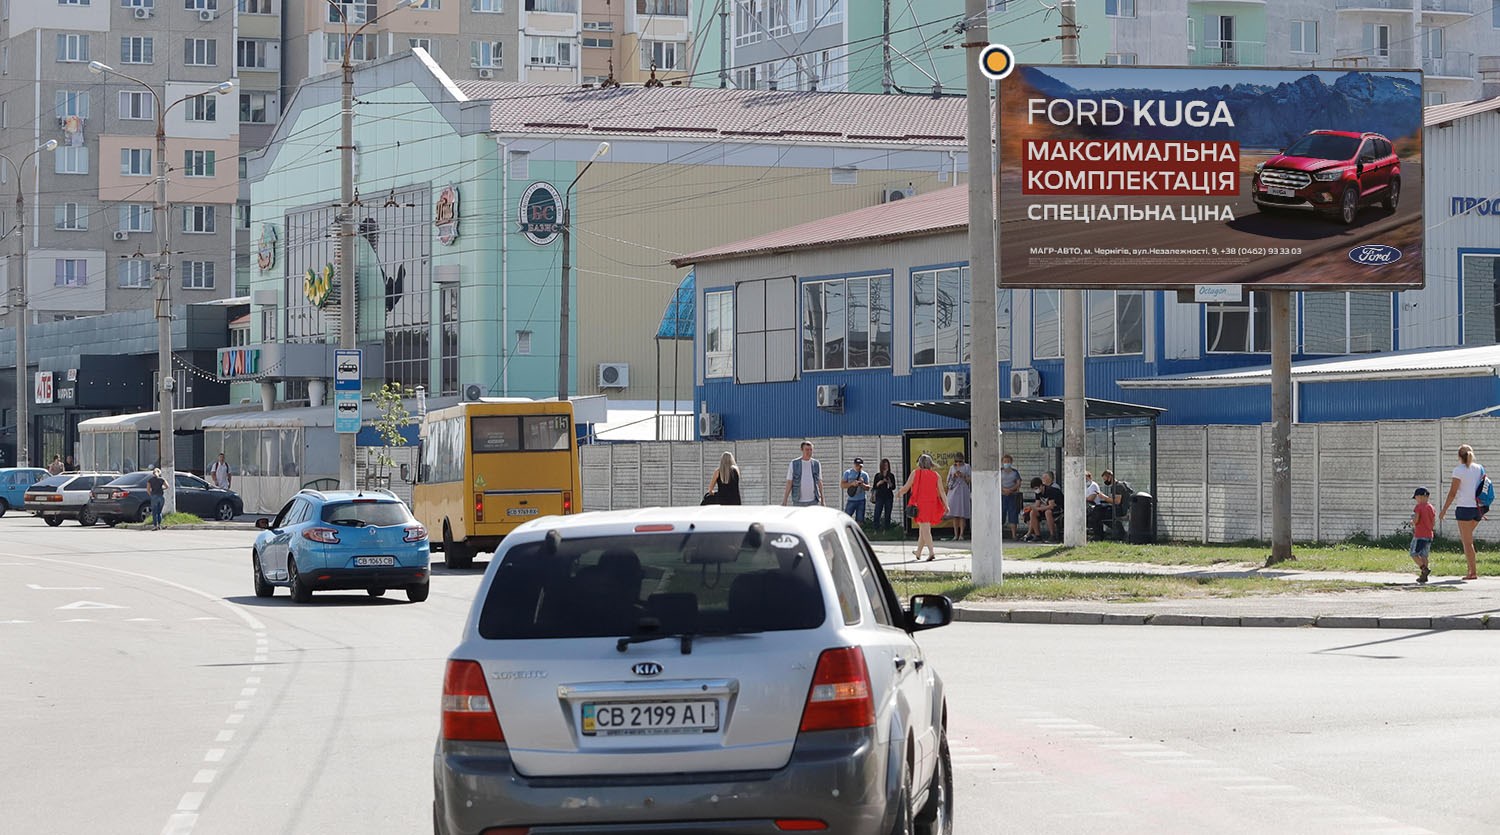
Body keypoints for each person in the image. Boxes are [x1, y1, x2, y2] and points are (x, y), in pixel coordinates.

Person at [1438, 443, 1486, 580]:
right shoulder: (1480, 468)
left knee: (1467, 542)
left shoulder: (1458, 470)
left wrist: (1444, 510)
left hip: (1464, 508)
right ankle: (1471, 570)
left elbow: (1453, 493)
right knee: (1468, 539)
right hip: (1478, 509)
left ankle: (1472, 572)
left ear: (1459, 456)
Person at [898, 454, 948, 562]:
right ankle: (918, 552)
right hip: (932, 504)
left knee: (925, 529)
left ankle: (931, 552)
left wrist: (899, 493)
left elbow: (906, 487)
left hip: (921, 504)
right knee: (923, 529)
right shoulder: (936, 475)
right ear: (930, 463)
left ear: (920, 463)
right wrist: (946, 505)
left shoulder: (915, 473)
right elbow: (942, 491)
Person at [1089, 470, 1134, 539]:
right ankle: (1101, 534)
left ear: (1110, 477)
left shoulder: (1118, 486)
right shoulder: (1114, 486)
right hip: (1117, 508)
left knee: (1098, 513)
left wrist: (1104, 498)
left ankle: (1100, 535)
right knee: (1098, 511)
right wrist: (1105, 498)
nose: (1105, 481)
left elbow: (1117, 501)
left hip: (1120, 509)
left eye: (1105, 479)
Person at [1023, 471, 1064, 542]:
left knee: (1048, 512)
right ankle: (1037, 535)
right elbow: (1037, 504)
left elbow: (1051, 506)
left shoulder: (1050, 490)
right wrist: (1031, 508)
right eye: (1034, 489)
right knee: (1033, 513)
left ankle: (1052, 535)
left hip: (1058, 507)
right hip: (1046, 507)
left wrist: (1039, 508)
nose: (1036, 490)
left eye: (1036, 488)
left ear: (1041, 486)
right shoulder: (1038, 492)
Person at [781, 441, 823, 507]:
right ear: (801, 450)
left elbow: (819, 482)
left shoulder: (816, 464)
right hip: (798, 501)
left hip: (813, 501)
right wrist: (785, 500)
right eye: (807, 450)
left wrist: (823, 500)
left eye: (811, 450)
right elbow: (789, 482)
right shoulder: (794, 463)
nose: (809, 452)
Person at [1410, 486, 1435, 585]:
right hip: (1429, 534)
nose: (1416, 500)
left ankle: (1424, 569)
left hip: (1420, 535)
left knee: (1414, 553)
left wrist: (1412, 522)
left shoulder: (1419, 507)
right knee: (1424, 555)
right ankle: (1424, 577)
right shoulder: (1431, 507)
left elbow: (1416, 520)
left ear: (1420, 497)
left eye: (1416, 497)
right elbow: (1433, 522)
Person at [945, 452, 972, 541]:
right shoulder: (952, 468)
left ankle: (961, 534)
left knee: (962, 514)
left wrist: (963, 476)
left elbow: (970, 480)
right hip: (954, 491)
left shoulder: (967, 467)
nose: (958, 463)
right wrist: (954, 476)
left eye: (960, 461)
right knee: (955, 514)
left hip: (963, 491)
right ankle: (955, 534)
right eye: (956, 461)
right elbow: (948, 481)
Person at [841, 457, 871, 521]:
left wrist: (862, 484)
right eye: (857, 465)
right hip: (851, 499)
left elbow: (868, 488)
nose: (858, 467)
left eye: (860, 466)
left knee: (860, 519)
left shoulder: (865, 474)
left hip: (861, 499)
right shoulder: (848, 473)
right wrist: (852, 484)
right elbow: (842, 485)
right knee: (846, 518)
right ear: (854, 465)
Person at [871, 459, 898, 529]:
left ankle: (887, 528)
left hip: (888, 496)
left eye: (887, 465)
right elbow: (874, 487)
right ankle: (876, 528)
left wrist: (889, 482)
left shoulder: (891, 475)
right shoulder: (878, 475)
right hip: (879, 496)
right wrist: (879, 483)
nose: (886, 467)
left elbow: (893, 487)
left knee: (888, 513)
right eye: (884, 465)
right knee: (877, 512)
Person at [1001, 455, 1022, 540]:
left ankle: (1014, 535)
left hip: (1012, 495)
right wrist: (1003, 490)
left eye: (1008, 461)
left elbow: (1018, 483)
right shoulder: (1000, 471)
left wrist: (1010, 490)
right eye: (1005, 461)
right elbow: (996, 482)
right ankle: (999, 534)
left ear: (1011, 462)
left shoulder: (1015, 472)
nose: (1007, 463)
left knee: (1013, 514)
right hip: (1002, 495)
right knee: (1001, 514)